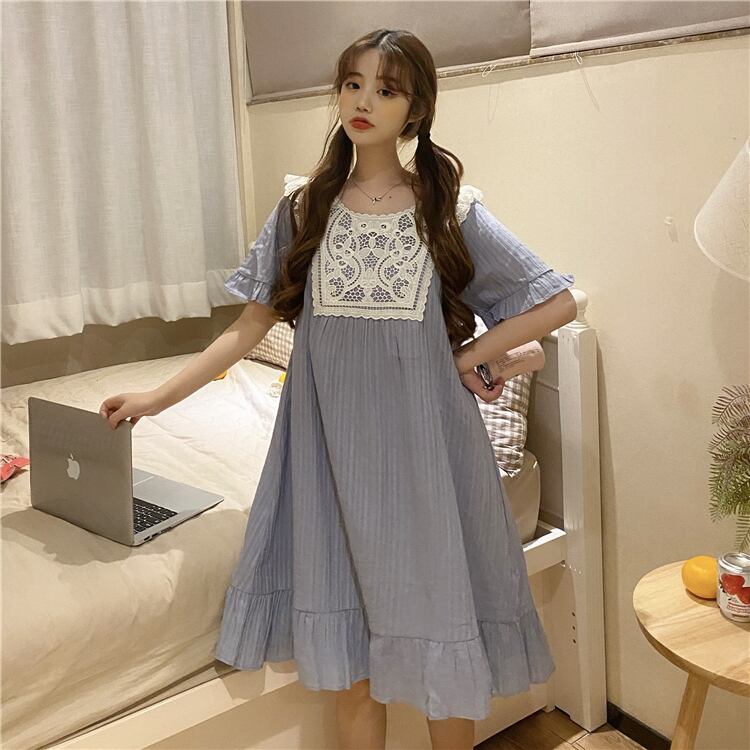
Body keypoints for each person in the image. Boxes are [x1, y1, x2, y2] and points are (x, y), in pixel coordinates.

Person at [99, 28, 577, 750]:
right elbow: (251, 324)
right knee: (353, 671)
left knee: (444, 654)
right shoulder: (304, 209)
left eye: (386, 89)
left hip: (427, 459)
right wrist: (156, 400)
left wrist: (471, 355)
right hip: (328, 458)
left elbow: (556, 302)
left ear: (416, 109)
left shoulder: (448, 210)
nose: (363, 101)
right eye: (354, 84)